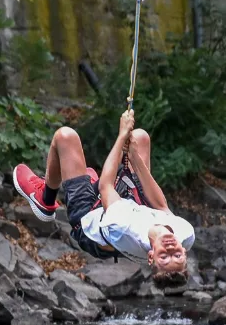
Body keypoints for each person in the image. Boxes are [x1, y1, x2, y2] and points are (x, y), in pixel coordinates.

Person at [12, 109, 194, 281]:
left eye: (163, 256)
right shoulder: (185, 234)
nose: (170, 248)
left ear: (151, 256)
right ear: (184, 252)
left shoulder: (124, 229)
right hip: (130, 208)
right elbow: (161, 206)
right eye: (177, 255)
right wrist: (134, 158)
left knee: (65, 136)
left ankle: (46, 198)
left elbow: (106, 186)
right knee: (140, 138)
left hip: (90, 217)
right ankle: (89, 177)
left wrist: (122, 136)